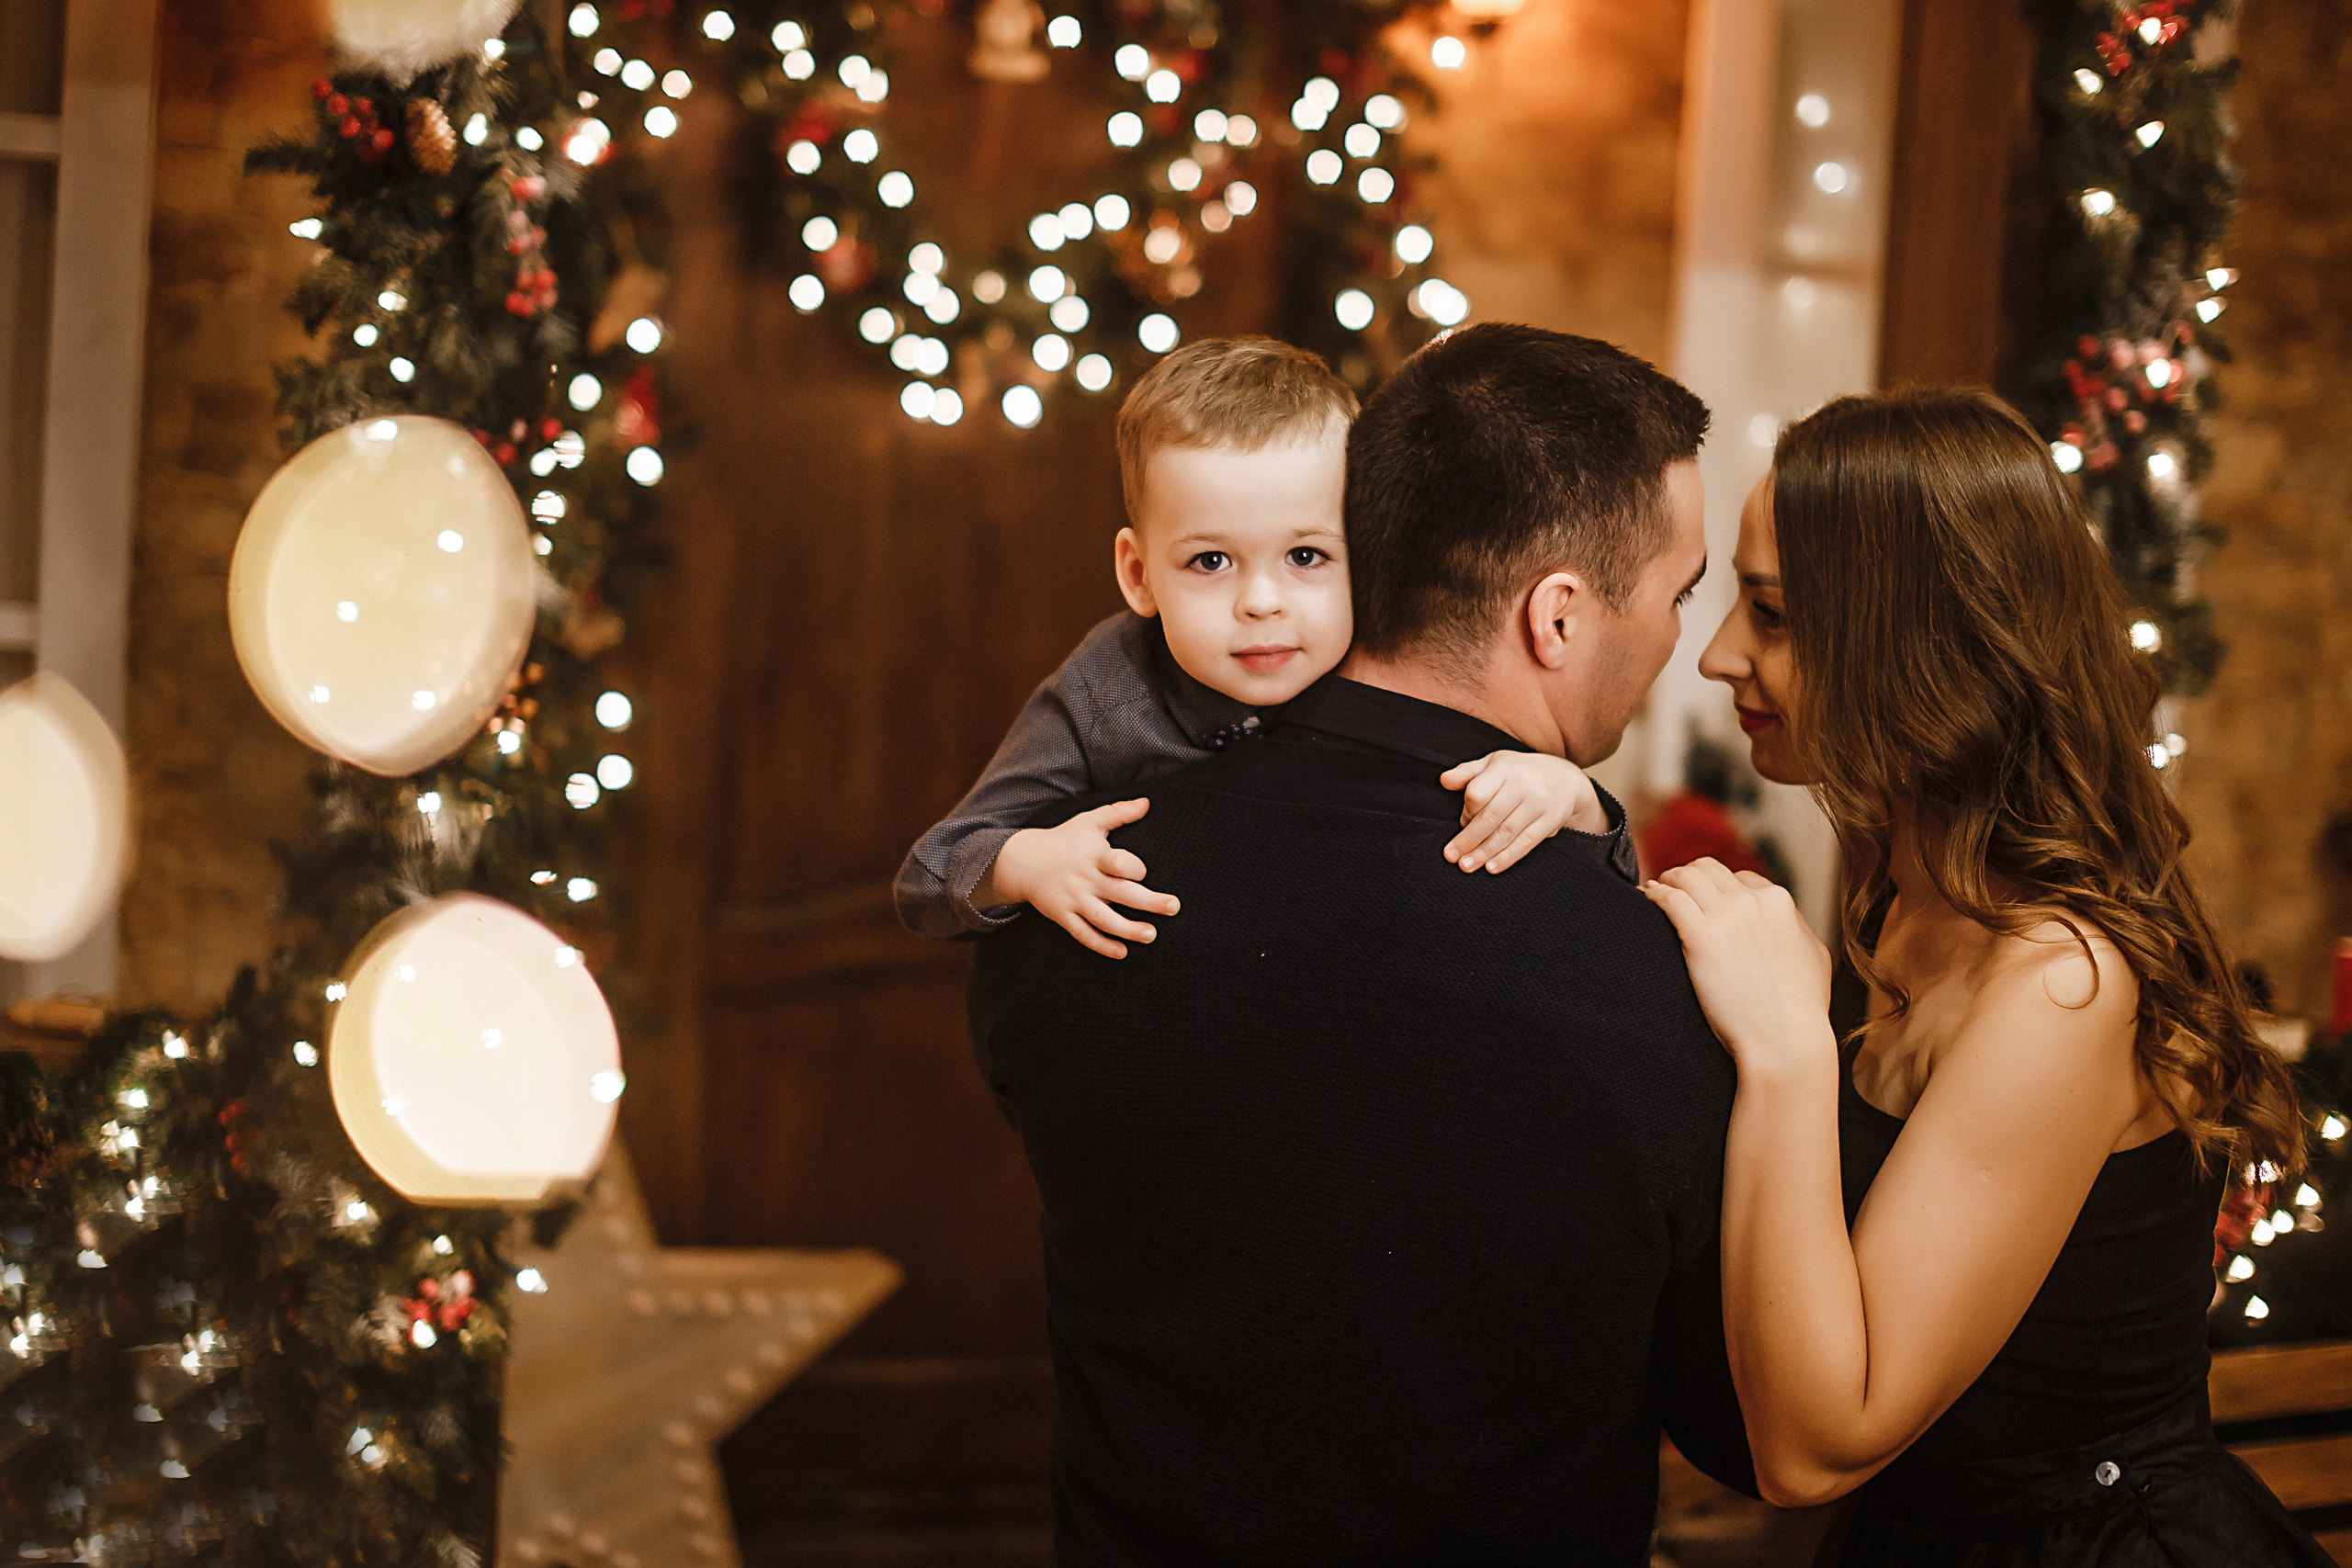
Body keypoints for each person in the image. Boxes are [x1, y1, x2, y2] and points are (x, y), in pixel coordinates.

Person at [967, 323, 1752, 1565]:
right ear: (1557, 617)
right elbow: (1736, 1419)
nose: (1686, 646)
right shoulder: (1643, 965)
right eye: (1678, 591)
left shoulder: (1078, 887)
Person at [1642, 388, 2328, 1564]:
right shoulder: (1906, 893)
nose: (1718, 657)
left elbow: (1816, 1444)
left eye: (1770, 613)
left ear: (1916, 638)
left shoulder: (2061, 984)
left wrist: (1788, 1052)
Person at [896, 335, 1623, 958]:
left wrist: (1575, 801)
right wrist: (1023, 862)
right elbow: (926, 878)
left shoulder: (1391, 661)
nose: (1263, 602)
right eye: (1211, 561)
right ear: (1139, 575)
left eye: (1306, 556)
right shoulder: (1104, 689)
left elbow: (1602, 898)